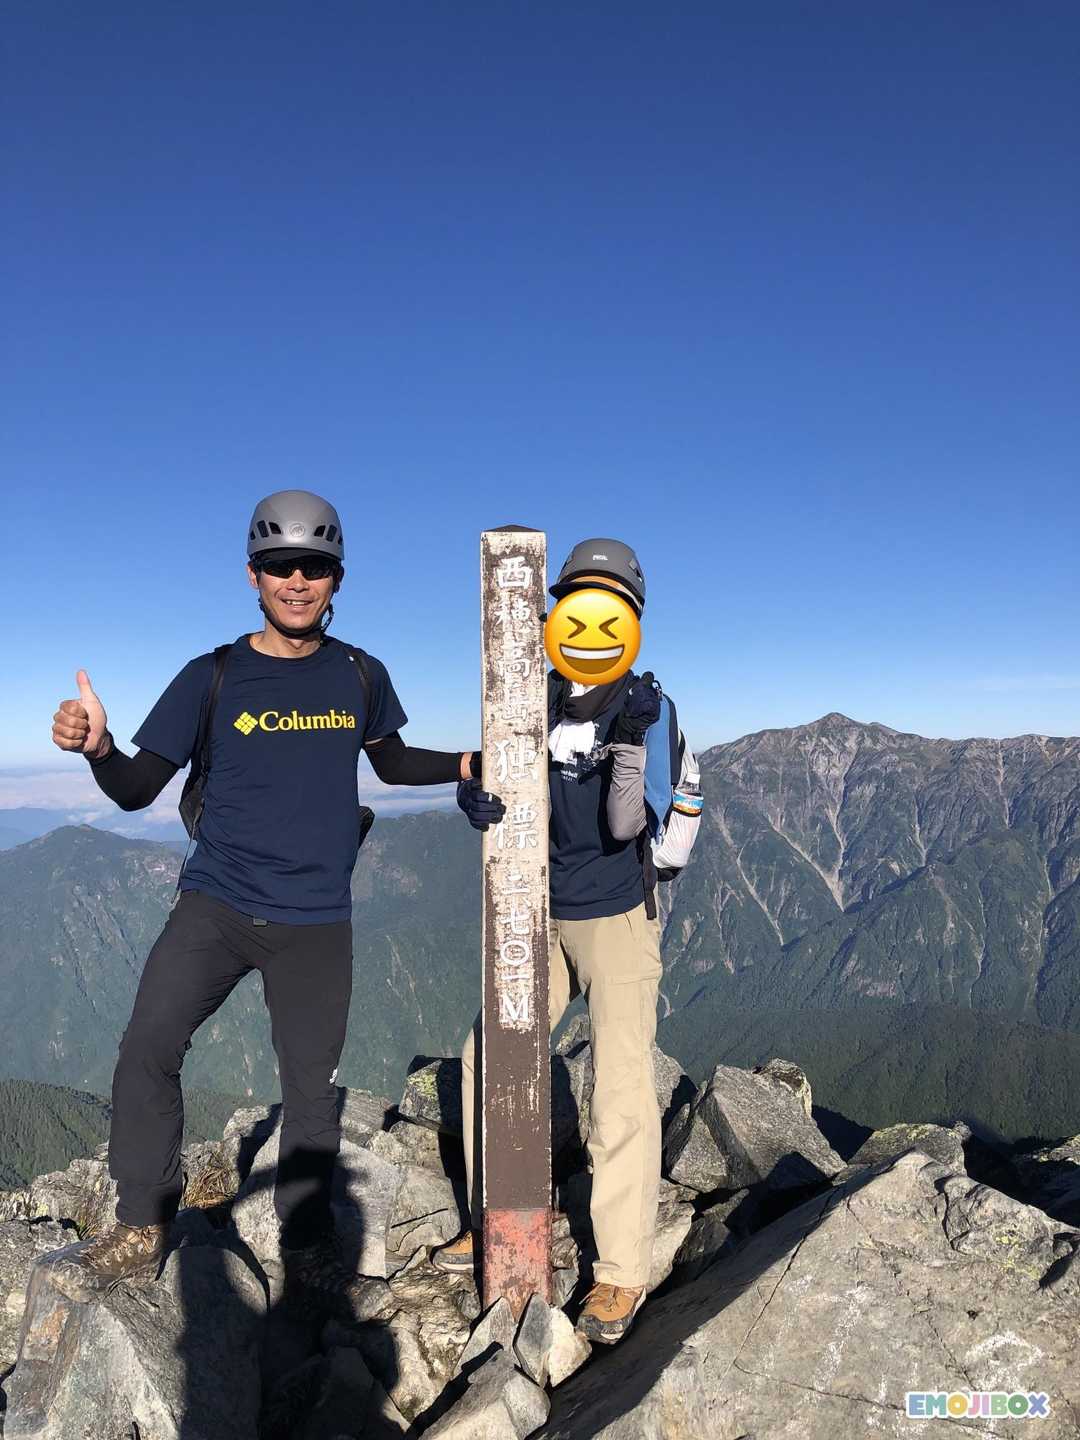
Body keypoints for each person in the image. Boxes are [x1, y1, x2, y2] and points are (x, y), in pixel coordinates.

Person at [49, 490, 500, 1305]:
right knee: (147, 1046)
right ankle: (144, 1220)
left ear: (336, 579)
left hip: (316, 918)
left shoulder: (360, 673)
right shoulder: (212, 676)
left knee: (310, 1091)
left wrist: (469, 762)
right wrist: (101, 747)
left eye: (314, 567)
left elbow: (392, 762)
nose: (298, 581)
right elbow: (135, 790)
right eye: (281, 565)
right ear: (253, 575)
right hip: (216, 904)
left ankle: (307, 1239)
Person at [435, 538, 672, 1346]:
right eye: (577, 603)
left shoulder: (649, 707)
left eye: (611, 607)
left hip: (615, 918)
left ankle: (622, 1272)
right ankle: (495, 1219)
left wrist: (630, 742)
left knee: (620, 1090)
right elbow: (504, 785)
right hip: (536, 909)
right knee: (486, 1056)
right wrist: (477, 793)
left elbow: (631, 825)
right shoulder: (528, 699)